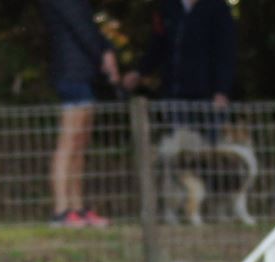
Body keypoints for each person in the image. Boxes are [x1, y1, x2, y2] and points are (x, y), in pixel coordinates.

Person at [38, 0, 121, 228]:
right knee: (69, 141)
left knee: (80, 142)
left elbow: (89, 28)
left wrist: (106, 51)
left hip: (83, 73)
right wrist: (105, 56)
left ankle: (77, 207)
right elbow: (82, 28)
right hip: (71, 72)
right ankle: (61, 210)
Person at [122, 0, 237, 139]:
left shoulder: (218, 7)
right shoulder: (168, 6)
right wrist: (140, 71)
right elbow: (158, 45)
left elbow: (225, 51)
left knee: (209, 151)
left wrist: (221, 90)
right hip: (174, 93)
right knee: (177, 150)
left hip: (207, 96)